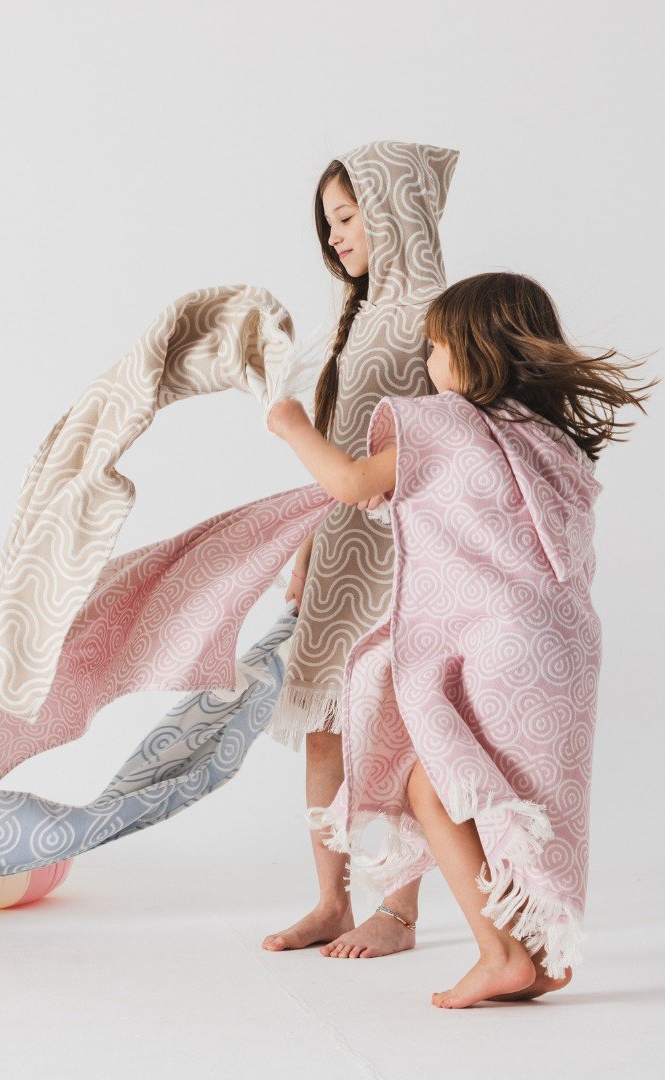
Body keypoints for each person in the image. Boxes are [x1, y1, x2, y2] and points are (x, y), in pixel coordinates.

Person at [267, 271, 654, 1006]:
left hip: (498, 641)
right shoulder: (553, 440)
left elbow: (351, 484)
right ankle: (539, 953)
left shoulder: (444, 422)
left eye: (436, 345)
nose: (428, 362)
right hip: (566, 646)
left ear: (473, 352)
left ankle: (496, 949)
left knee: (433, 785)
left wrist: (292, 425)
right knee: (519, 796)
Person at [264, 140, 459, 959]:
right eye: (328, 223)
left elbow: (453, 433)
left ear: (394, 209)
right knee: (322, 723)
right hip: (342, 543)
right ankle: (330, 900)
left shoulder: (440, 312)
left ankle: (399, 911)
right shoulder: (360, 312)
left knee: (389, 724)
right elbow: (343, 440)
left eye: (347, 217)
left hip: (405, 544)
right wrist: (310, 546)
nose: (336, 237)